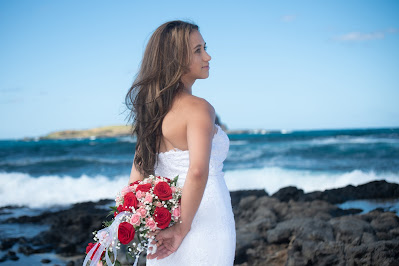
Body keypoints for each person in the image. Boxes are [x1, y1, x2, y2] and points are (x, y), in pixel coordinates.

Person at [125, 20, 236, 265]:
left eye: (204, 47)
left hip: (164, 231)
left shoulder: (151, 112)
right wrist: (181, 229)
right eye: (198, 50)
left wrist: (148, 222)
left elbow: (136, 179)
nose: (208, 56)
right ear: (175, 59)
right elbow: (197, 171)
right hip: (204, 220)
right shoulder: (199, 109)